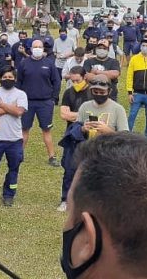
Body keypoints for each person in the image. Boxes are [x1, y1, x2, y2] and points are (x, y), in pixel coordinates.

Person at [0, 67, 28, 208]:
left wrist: (2, 105)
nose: (7, 79)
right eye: (5, 77)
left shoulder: (21, 94)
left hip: (15, 139)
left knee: (14, 168)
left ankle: (9, 195)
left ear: (15, 78)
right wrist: (10, 108)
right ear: (0, 78)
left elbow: (19, 112)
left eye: (10, 77)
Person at [17, 39, 61, 167]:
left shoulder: (49, 63)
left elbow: (56, 82)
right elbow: (18, 82)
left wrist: (53, 98)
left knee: (46, 130)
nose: (37, 49)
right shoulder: (24, 63)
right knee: (24, 129)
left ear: (43, 49)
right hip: (27, 102)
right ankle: (19, 155)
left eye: (40, 47)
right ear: (30, 49)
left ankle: (52, 156)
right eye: (35, 46)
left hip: (45, 102)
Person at [56, 66, 92, 212]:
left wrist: (75, 115)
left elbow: (92, 115)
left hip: (90, 135)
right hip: (72, 134)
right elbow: (64, 115)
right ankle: (65, 199)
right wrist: (81, 116)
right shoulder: (68, 92)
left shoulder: (92, 93)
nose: (75, 83)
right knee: (69, 168)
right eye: (72, 80)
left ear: (84, 77)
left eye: (77, 80)